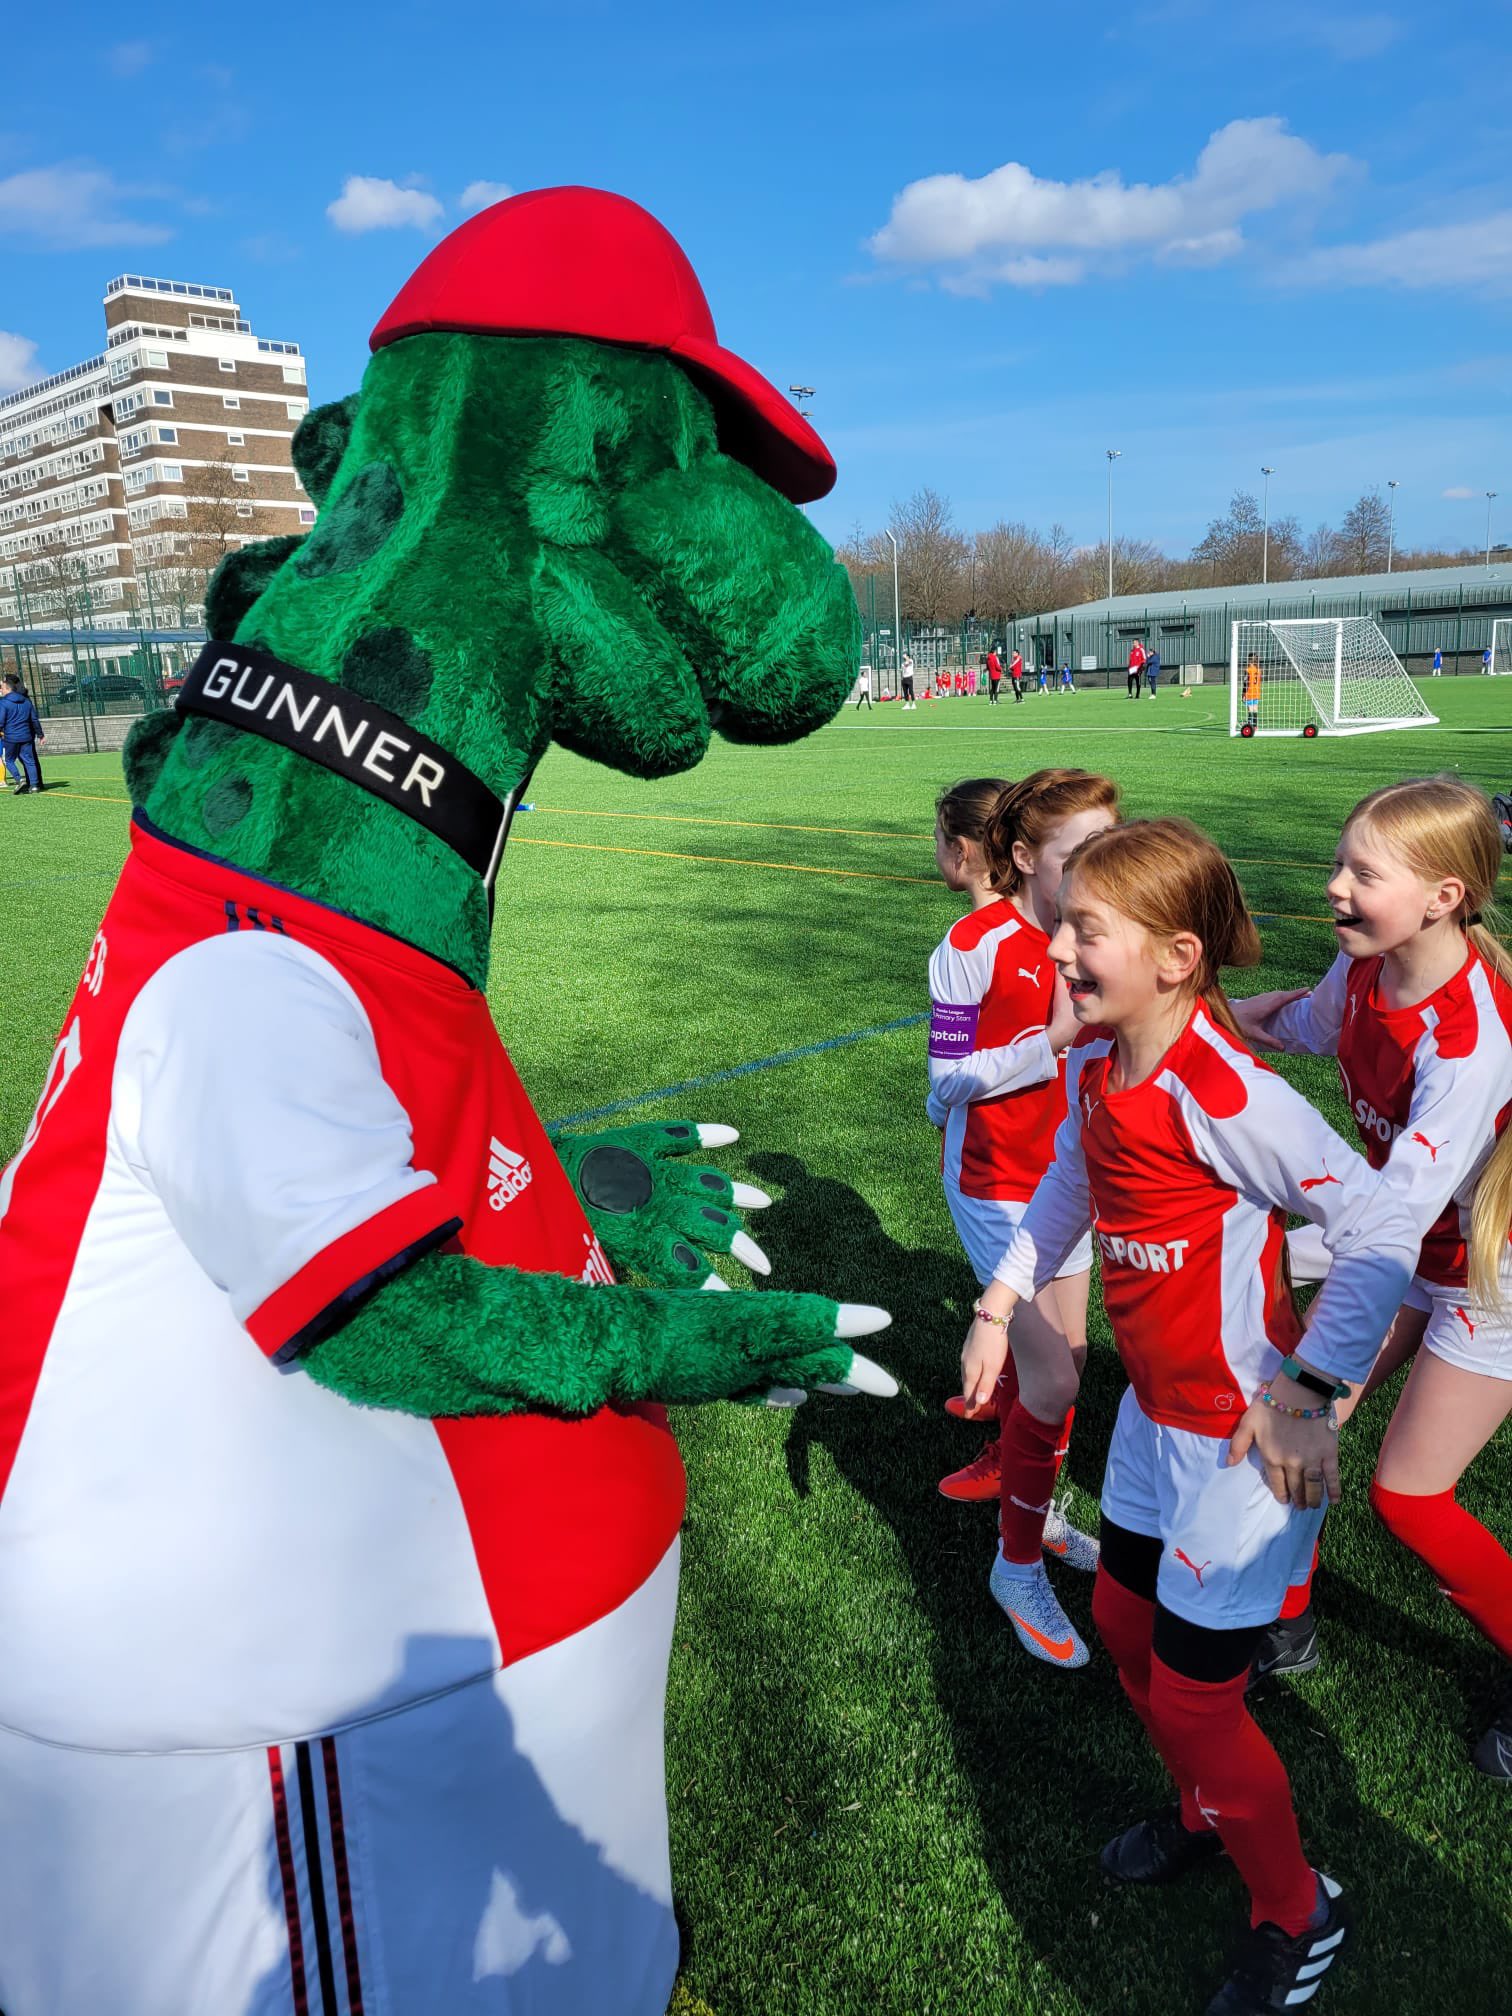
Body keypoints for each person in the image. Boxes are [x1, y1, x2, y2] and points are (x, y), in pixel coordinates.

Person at [964, 817, 1419, 2016]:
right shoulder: (1103, 1064)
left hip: (1244, 1448)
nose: (1056, 949)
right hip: (1153, 1425)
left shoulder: (1224, 1090)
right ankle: (1204, 1810)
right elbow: (1071, 1181)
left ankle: (1298, 1909)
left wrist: (1312, 1392)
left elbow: (1377, 1228)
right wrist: (1000, 1303)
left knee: (1194, 1697)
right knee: (1123, 1626)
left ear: (1175, 958)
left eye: (1085, 931)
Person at [1235, 777, 1512, 1771]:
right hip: (1413, 1249)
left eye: (1363, 872)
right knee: (1288, 1431)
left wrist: (1308, 1382)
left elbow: (1389, 1226)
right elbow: (1303, 1026)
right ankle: (1288, 1618)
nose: (1334, 886)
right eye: (1339, 863)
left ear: (1442, 897)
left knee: (1408, 1497)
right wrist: (1194, 1020)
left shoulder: (1468, 1043)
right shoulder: (1365, 969)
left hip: (1488, 1277)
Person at [928, 772, 1119, 1665]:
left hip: (1070, 1181)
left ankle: (1025, 1493)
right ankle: (1017, 1563)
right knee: (1051, 1382)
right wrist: (1047, 1043)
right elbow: (945, 1083)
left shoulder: (1101, 934)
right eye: (1083, 851)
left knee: (1067, 1367)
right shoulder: (972, 943)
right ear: (1023, 857)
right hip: (996, 1185)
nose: (1104, 863)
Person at [0, 674, 44, 795]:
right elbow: (34, 719)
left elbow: (1, 721)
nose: (1, 690)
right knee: (30, 760)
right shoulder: (27, 701)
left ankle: (20, 780)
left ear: (8, 689)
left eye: (2, 688)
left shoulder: (4, 703)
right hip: (26, 736)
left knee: (9, 760)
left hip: (11, 737)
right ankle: (34, 786)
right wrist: (40, 735)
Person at [1244, 653, 1262, 727]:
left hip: (1249, 692)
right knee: (1255, 709)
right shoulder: (1259, 670)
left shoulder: (1248, 670)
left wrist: (1244, 694)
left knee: (1250, 709)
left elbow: (1245, 683)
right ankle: (1255, 725)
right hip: (1257, 692)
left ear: (1249, 660)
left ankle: (1249, 725)